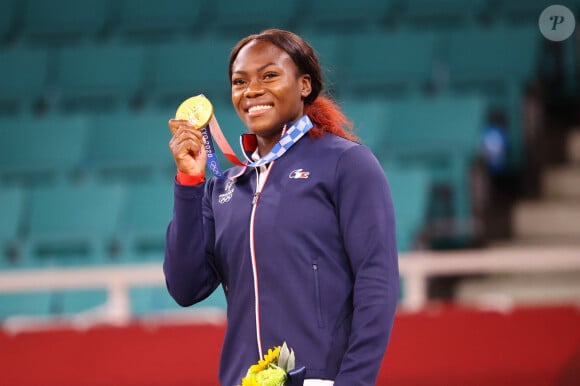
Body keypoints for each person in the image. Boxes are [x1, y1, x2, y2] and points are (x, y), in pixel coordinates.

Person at [165, 29, 399, 386]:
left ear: (304, 85)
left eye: (269, 75)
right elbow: (185, 287)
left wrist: (353, 382)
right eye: (239, 81)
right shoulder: (225, 187)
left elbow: (377, 282)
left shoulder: (347, 164)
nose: (252, 91)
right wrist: (189, 182)